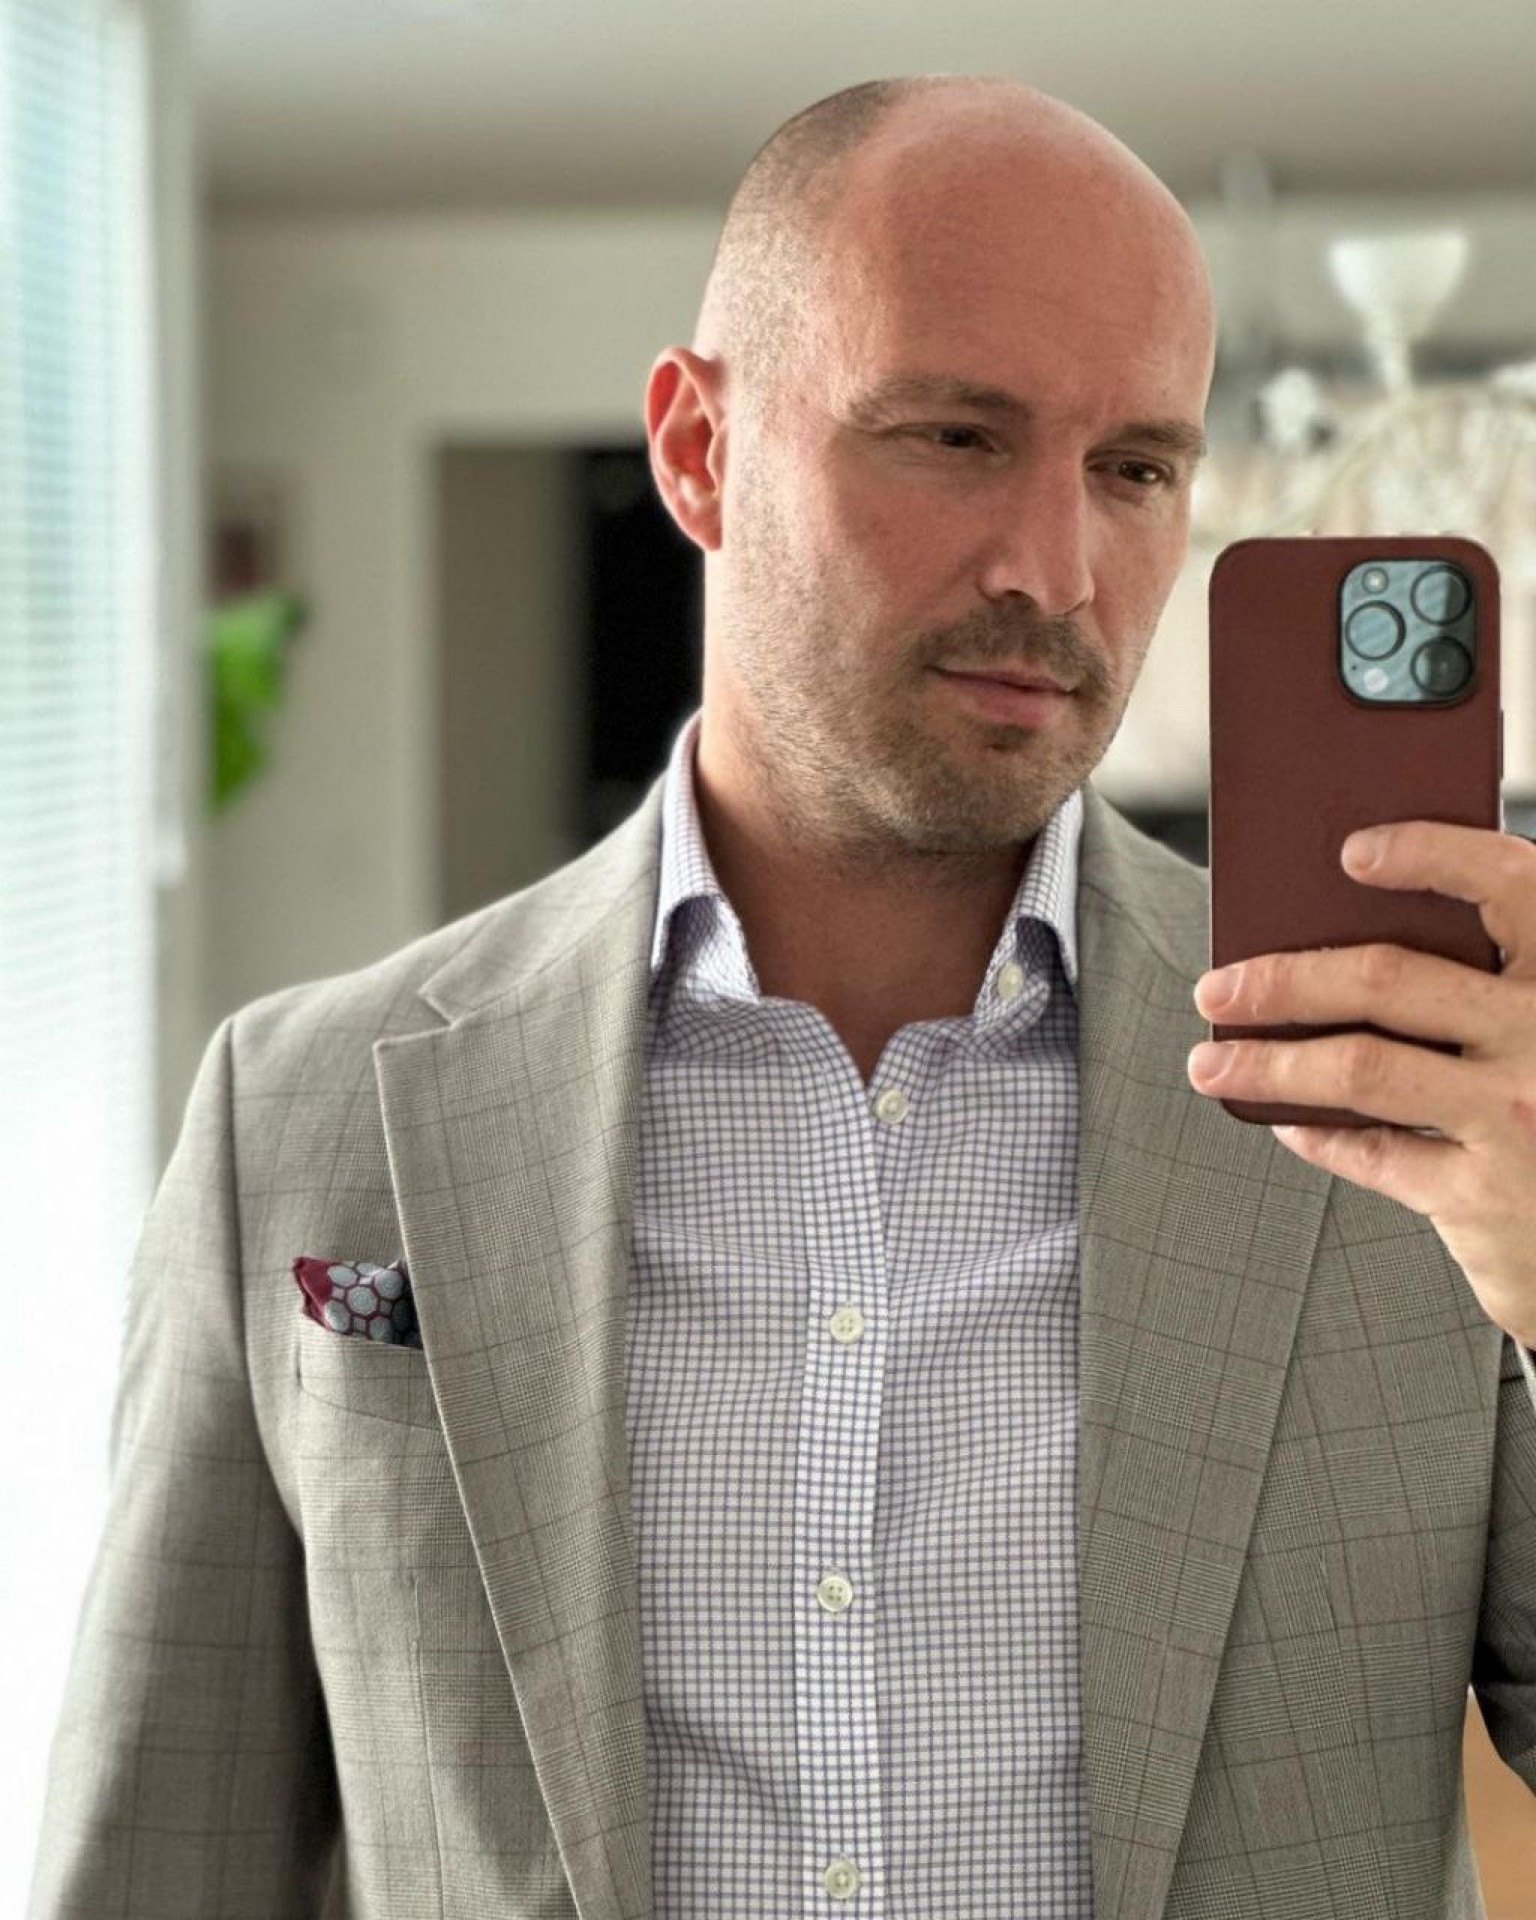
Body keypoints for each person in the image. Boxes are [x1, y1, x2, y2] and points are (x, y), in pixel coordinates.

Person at [30, 73, 1536, 1920]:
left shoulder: (1421, 1104)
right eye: (956, 436)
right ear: (697, 450)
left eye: (1136, 469)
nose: (1058, 571)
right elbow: (156, 1864)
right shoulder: (306, 1118)